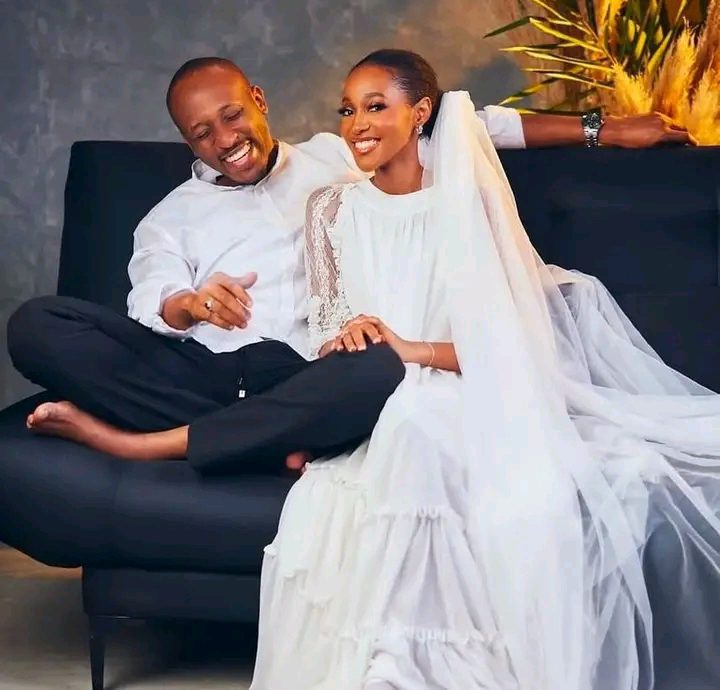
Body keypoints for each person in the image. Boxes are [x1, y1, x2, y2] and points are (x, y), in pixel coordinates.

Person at [244, 50, 720, 690]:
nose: (357, 124)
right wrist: (347, 339)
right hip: (369, 394)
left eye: (376, 106)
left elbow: (505, 344)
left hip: (464, 389)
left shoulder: (467, 205)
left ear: (421, 114)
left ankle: (412, 667)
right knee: (398, 424)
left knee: (423, 421)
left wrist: (411, 351)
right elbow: (327, 333)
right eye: (348, 110)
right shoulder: (329, 209)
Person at [6, 56, 693, 474]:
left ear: (258, 101)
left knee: (380, 370)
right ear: (188, 141)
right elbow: (150, 298)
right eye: (202, 133)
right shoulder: (171, 216)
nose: (225, 140)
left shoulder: (339, 154)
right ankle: (273, 439)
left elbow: (467, 128)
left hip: (306, 370)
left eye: (232, 116)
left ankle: (143, 445)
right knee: (37, 326)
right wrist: (191, 304)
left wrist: (604, 128)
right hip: (199, 376)